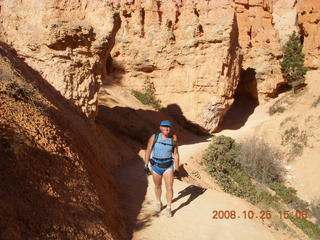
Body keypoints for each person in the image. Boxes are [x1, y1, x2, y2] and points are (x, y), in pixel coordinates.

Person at [144, 120, 180, 217]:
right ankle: (158, 202)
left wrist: (177, 169)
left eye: (168, 127)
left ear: (170, 129)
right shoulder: (154, 137)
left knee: (169, 187)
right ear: (160, 127)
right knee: (157, 186)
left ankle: (168, 208)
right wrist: (146, 165)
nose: (166, 128)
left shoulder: (173, 139)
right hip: (156, 166)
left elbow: (176, 154)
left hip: (168, 166)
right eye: (164, 126)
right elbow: (148, 151)